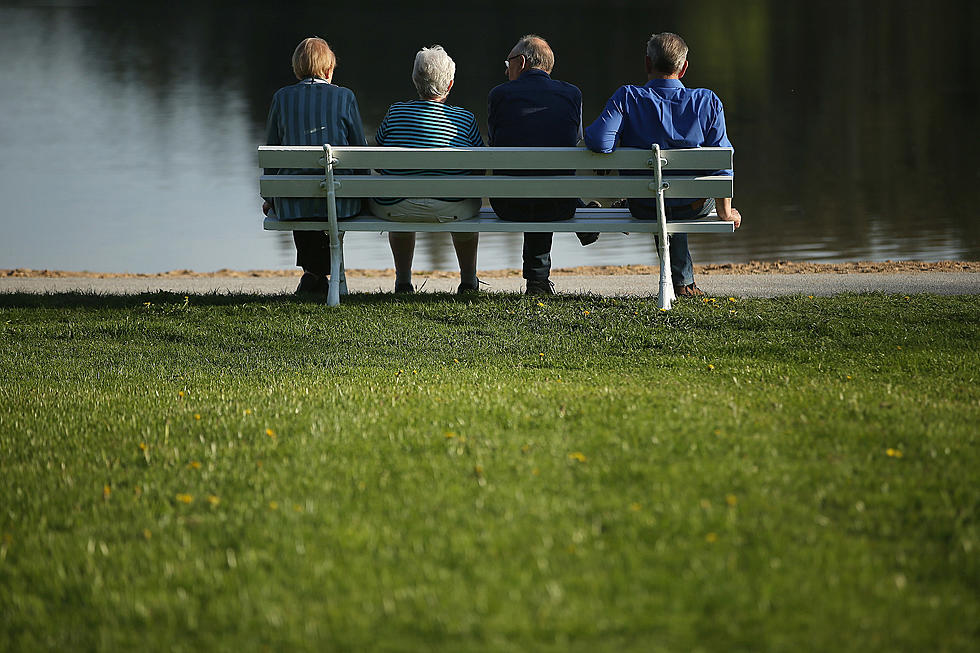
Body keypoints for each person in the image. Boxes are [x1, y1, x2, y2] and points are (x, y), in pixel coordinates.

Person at [584, 32, 742, 298]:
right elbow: (721, 164)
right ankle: (683, 283)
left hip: (643, 204)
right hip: (692, 206)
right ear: (684, 68)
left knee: (659, 193)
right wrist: (726, 212)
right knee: (672, 195)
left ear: (647, 64)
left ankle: (682, 280)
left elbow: (600, 141)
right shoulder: (707, 101)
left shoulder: (627, 98)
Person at [487, 34, 597, 296]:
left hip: (507, 203)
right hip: (560, 204)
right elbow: (575, 138)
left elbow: (494, 140)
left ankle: (537, 281)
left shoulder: (499, 95)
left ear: (521, 62)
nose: (506, 68)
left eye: (509, 62)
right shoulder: (572, 94)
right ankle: (537, 281)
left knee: (533, 180)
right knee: (547, 182)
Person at [369, 46, 483, 294]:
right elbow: (480, 167)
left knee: (399, 198)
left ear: (415, 80)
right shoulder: (465, 119)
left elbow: (377, 159)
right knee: (464, 200)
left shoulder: (396, 112)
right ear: (450, 84)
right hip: (452, 207)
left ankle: (403, 282)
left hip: (396, 207)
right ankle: (468, 282)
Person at [263, 37, 368, 296]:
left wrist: (270, 196)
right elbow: (361, 153)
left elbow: (272, 154)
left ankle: (313, 274)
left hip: (292, 201)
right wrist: (365, 189)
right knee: (324, 194)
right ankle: (316, 274)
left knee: (299, 194)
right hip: (342, 202)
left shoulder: (281, 98)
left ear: (297, 69)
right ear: (328, 69)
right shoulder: (345, 97)